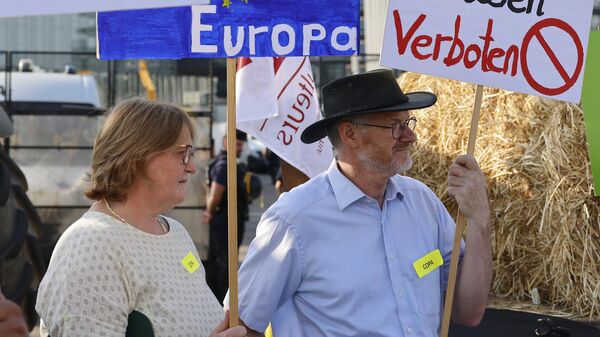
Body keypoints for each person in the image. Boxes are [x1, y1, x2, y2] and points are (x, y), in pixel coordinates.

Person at [231, 69, 493, 337]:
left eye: (408, 123)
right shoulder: (293, 220)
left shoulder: (423, 202)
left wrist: (479, 219)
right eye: (395, 126)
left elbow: (468, 312)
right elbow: (240, 324)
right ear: (350, 135)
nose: (410, 137)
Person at [35, 98, 246, 337]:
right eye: (182, 154)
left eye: (191, 153)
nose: (192, 167)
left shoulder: (174, 232)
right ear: (137, 157)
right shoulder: (91, 246)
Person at [203, 131, 249, 303]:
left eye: (241, 145)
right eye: (237, 144)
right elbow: (215, 194)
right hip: (225, 222)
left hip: (228, 220)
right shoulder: (223, 166)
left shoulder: (227, 163)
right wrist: (209, 210)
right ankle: (223, 303)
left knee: (224, 262)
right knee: (224, 264)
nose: (240, 148)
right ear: (226, 143)